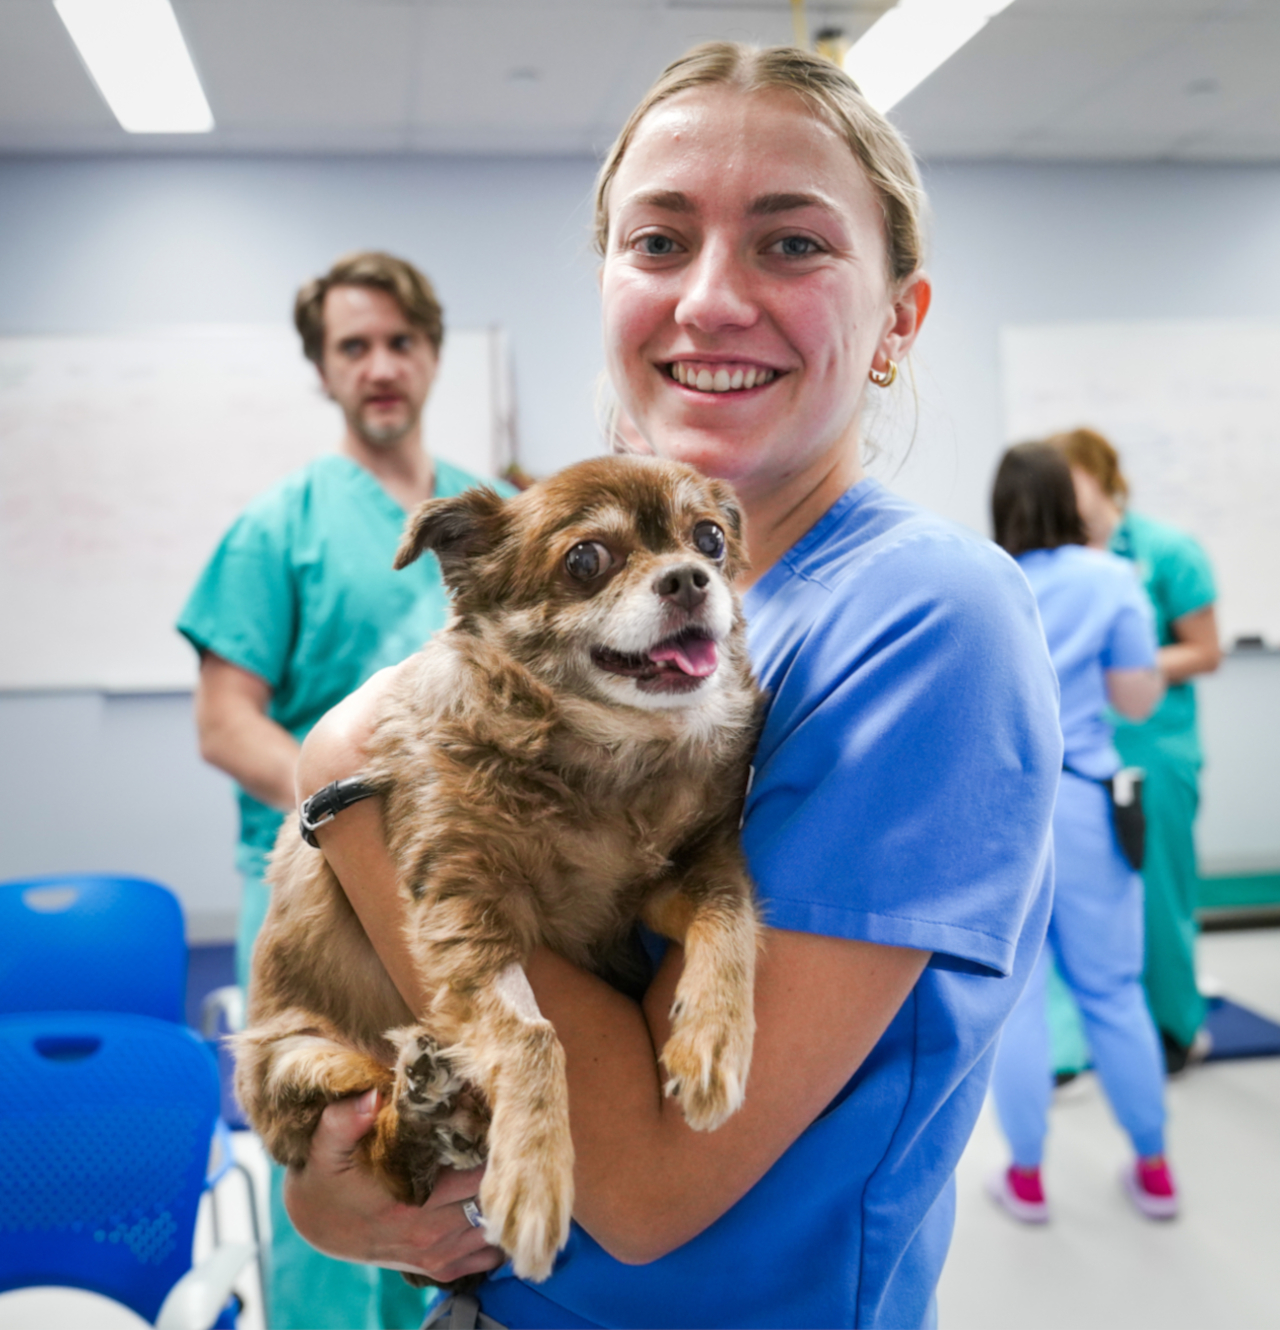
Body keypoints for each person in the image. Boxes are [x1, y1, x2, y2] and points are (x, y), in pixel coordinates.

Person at [279, 45, 1062, 1329]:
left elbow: (640, 1189)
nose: (707, 299)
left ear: (898, 320)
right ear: (605, 288)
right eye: (656, 241)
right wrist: (348, 1196)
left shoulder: (926, 621)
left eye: (790, 244)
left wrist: (350, 794)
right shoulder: (644, 618)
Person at [178, 250, 513, 1330]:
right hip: (315, 902)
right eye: (351, 347)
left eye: (398, 342)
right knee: (336, 1156)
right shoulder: (278, 527)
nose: (379, 366)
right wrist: (352, 811)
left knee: (466, 1166)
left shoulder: (493, 513)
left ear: (431, 356)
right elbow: (225, 720)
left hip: (467, 894)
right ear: (323, 371)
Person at [985, 442, 1178, 1224]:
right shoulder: (1112, 580)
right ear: (1073, 501)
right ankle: (1155, 1167)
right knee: (1113, 988)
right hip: (1090, 803)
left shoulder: (985, 580)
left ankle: (1027, 1180)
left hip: (1006, 819)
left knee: (1020, 999)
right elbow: (1136, 703)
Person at [1052, 427, 1222, 1072]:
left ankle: (1177, 1028)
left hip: (1155, 747)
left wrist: (1126, 663)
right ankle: (1079, 1042)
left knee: (1158, 891)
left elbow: (1206, 650)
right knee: (1074, 903)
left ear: (1104, 479)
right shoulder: (1057, 558)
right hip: (1076, 755)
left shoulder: (1167, 552)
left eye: (1072, 484)